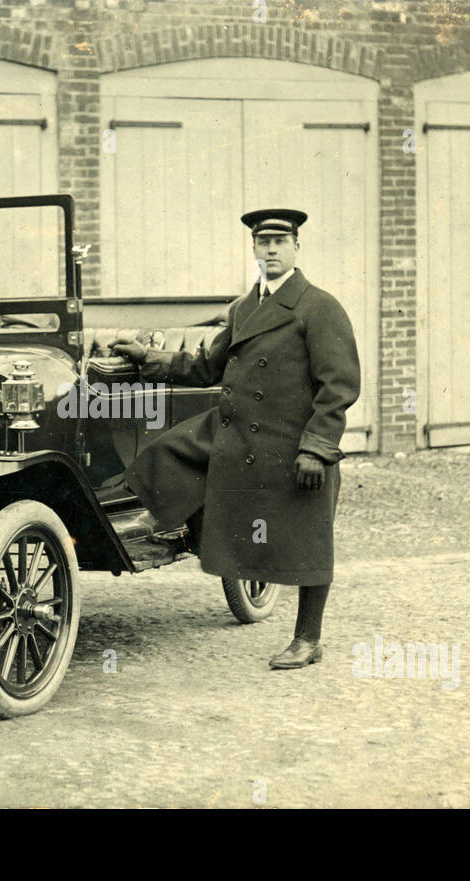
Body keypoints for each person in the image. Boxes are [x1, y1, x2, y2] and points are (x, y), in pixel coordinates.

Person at [110, 209, 360, 669]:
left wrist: (317, 449)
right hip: (241, 433)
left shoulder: (319, 307)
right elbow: (208, 365)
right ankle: (169, 532)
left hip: (294, 443)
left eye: (280, 241)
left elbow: (339, 387)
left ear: (296, 248)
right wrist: (150, 358)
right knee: (163, 457)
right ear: (253, 249)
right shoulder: (245, 308)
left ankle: (308, 639)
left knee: (308, 539)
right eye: (263, 242)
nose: (271, 250)